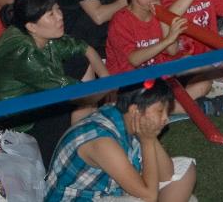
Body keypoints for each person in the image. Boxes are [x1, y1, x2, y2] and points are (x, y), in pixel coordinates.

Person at [0, 0, 110, 165]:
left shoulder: (45, 37)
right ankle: (76, 153)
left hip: (35, 105)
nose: (60, 16)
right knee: (71, 105)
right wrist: (106, 91)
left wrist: (106, 77)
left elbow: (83, 47)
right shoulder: (25, 55)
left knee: (80, 62)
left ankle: (85, 138)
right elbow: (70, 90)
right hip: (17, 126)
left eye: (58, 9)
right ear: (32, 27)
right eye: (51, 14)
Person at [45, 81, 197, 202]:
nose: (166, 118)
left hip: (107, 191)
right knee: (140, 200)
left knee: (184, 170)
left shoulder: (127, 119)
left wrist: (150, 138)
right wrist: (148, 142)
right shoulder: (103, 141)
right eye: (160, 111)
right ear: (135, 111)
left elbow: (167, 174)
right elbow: (148, 197)